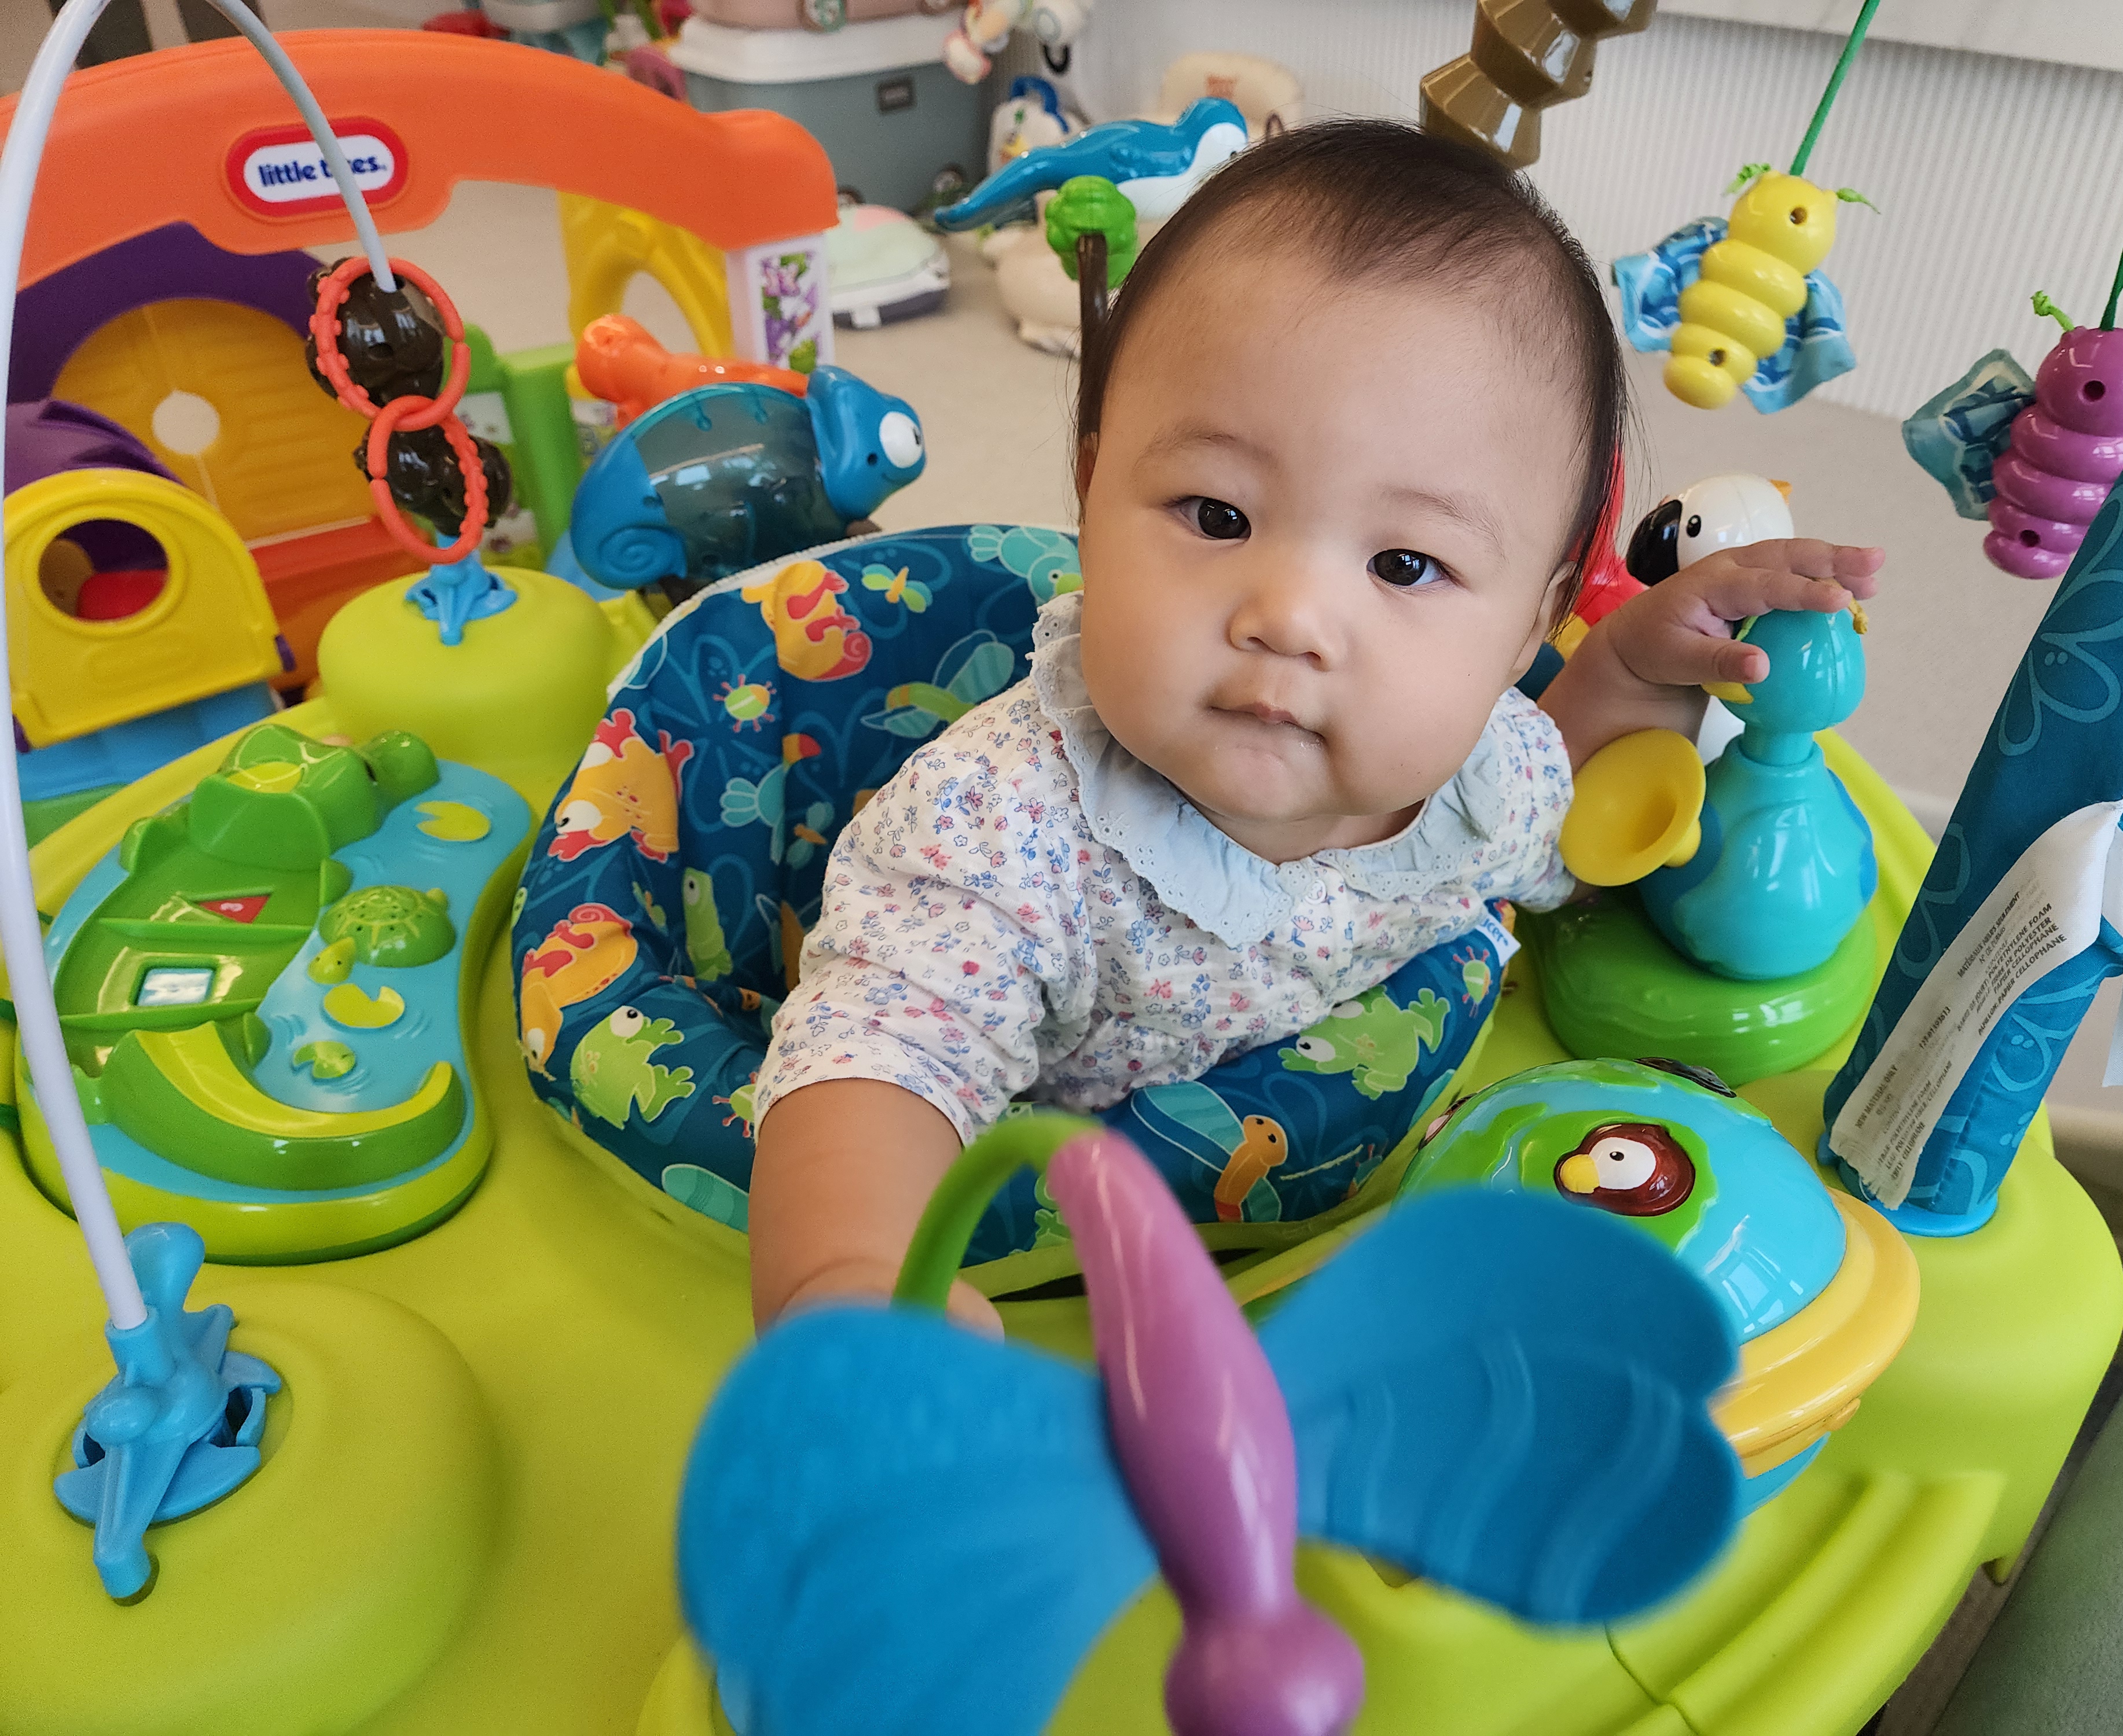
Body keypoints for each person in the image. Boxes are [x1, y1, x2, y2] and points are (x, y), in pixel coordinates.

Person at [748, 120, 1882, 1330]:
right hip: (1060, 1288)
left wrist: (1633, 665)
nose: (1288, 616)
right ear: (1091, 488)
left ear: (1524, 629)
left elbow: (1568, 819)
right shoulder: (998, 826)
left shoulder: (1476, 777)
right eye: (1216, 514)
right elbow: (878, 1058)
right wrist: (852, 1285)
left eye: (1404, 563)